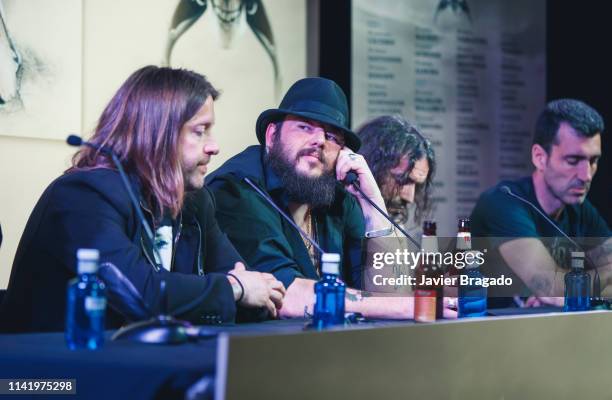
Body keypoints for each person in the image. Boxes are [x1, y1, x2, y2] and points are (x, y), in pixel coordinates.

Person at [0, 66, 284, 332]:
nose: (214, 146)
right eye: (200, 131)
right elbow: (137, 294)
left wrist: (246, 291)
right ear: (158, 133)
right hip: (54, 373)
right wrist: (233, 288)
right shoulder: (82, 196)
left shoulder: (195, 202)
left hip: (142, 365)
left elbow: (254, 295)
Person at [207, 77, 455, 319]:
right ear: (272, 136)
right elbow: (285, 296)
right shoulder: (239, 189)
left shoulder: (337, 196)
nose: (319, 141)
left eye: (332, 136)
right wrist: (411, 306)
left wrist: (372, 201)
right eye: (305, 127)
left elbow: (389, 289)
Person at [470, 99, 611, 307]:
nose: (586, 175)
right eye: (573, 161)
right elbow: (550, 287)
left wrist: (568, 291)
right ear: (540, 158)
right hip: (488, 333)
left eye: (593, 161)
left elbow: (555, 292)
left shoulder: (580, 208)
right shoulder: (503, 203)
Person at [356, 115, 435, 244]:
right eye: (402, 180)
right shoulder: (339, 219)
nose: (410, 197)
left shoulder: (394, 220)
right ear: (375, 167)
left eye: (417, 185)